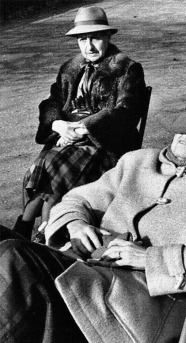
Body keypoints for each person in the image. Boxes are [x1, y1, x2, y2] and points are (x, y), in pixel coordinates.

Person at [0, 93, 186, 343]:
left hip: (134, 303)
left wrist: (149, 258)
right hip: (83, 270)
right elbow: (77, 200)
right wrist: (75, 224)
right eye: (185, 122)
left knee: (15, 256)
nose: (185, 133)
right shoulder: (138, 162)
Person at [14, 6, 148, 240]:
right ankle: (33, 228)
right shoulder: (70, 67)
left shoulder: (126, 68)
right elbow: (53, 101)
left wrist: (84, 127)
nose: (90, 46)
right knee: (46, 162)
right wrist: (58, 125)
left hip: (105, 141)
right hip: (68, 135)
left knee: (52, 162)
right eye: (83, 39)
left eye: (96, 38)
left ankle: (39, 230)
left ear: (107, 37)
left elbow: (126, 111)